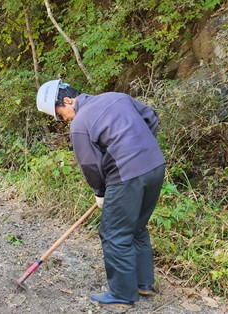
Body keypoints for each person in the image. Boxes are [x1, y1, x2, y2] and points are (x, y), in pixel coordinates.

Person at [36, 79, 165, 309]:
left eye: (60, 113)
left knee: (114, 233)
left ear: (68, 100)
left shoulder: (80, 124)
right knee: (136, 227)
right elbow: (151, 117)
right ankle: (144, 283)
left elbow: (91, 166)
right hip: (155, 166)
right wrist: (142, 147)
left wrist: (101, 193)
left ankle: (123, 294)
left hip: (126, 176)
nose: (64, 119)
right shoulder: (117, 97)